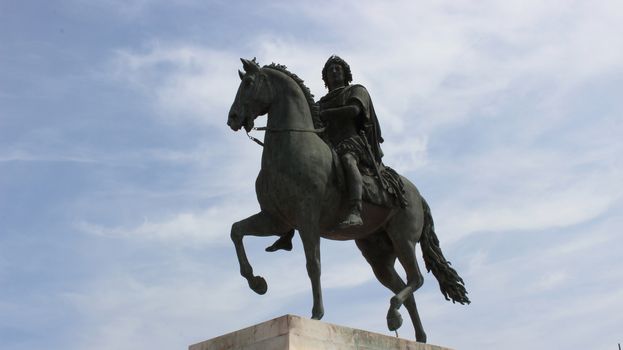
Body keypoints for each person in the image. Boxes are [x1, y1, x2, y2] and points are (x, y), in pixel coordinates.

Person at [266, 55, 386, 252]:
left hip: (352, 142)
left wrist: (327, 114)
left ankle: (355, 209)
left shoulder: (356, 90)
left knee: (348, 161)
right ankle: (287, 231)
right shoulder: (321, 102)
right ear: (325, 77)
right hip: (329, 145)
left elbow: (355, 111)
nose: (334, 71)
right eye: (330, 70)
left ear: (345, 73)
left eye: (338, 68)